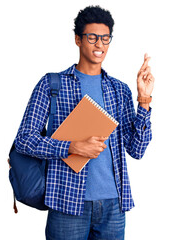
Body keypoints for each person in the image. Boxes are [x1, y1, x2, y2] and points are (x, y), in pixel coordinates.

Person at [14, 5, 154, 240]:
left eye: (105, 38)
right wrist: (72, 146)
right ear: (78, 40)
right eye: (92, 37)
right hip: (67, 202)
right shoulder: (52, 85)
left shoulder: (119, 89)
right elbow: (24, 140)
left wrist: (144, 100)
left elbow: (137, 150)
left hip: (114, 205)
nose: (99, 44)